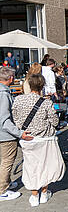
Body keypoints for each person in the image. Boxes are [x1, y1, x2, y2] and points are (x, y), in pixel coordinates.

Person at [12, 74, 65, 207]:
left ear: (29, 85)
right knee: (45, 166)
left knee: (31, 167)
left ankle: (34, 195)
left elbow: (15, 118)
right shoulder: (46, 102)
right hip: (45, 139)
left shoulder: (18, 100)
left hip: (27, 138)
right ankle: (44, 192)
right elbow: (54, 121)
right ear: (42, 86)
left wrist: (21, 131)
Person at [0, 67, 33, 201]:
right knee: (7, 162)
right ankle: (2, 190)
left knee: (4, 161)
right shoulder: (3, 93)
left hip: (3, 133)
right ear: (11, 78)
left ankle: (5, 183)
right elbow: (4, 120)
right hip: (5, 134)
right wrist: (20, 134)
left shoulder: (3, 91)